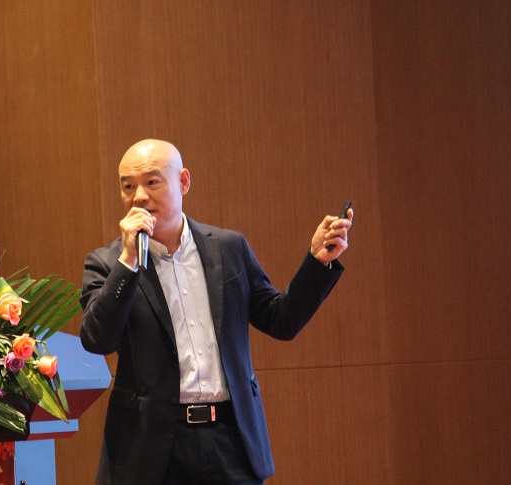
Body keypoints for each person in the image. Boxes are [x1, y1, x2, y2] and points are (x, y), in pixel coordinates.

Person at [79, 139, 352, 485]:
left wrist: (316, 263)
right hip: (151, 451)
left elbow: (280, 320)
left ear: (183, 182)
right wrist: (129, 260)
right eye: (128, 187)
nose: (139, 197)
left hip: (230, 441)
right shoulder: (108, 263)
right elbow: (98, 340)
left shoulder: (227, 248)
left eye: (152, 182)